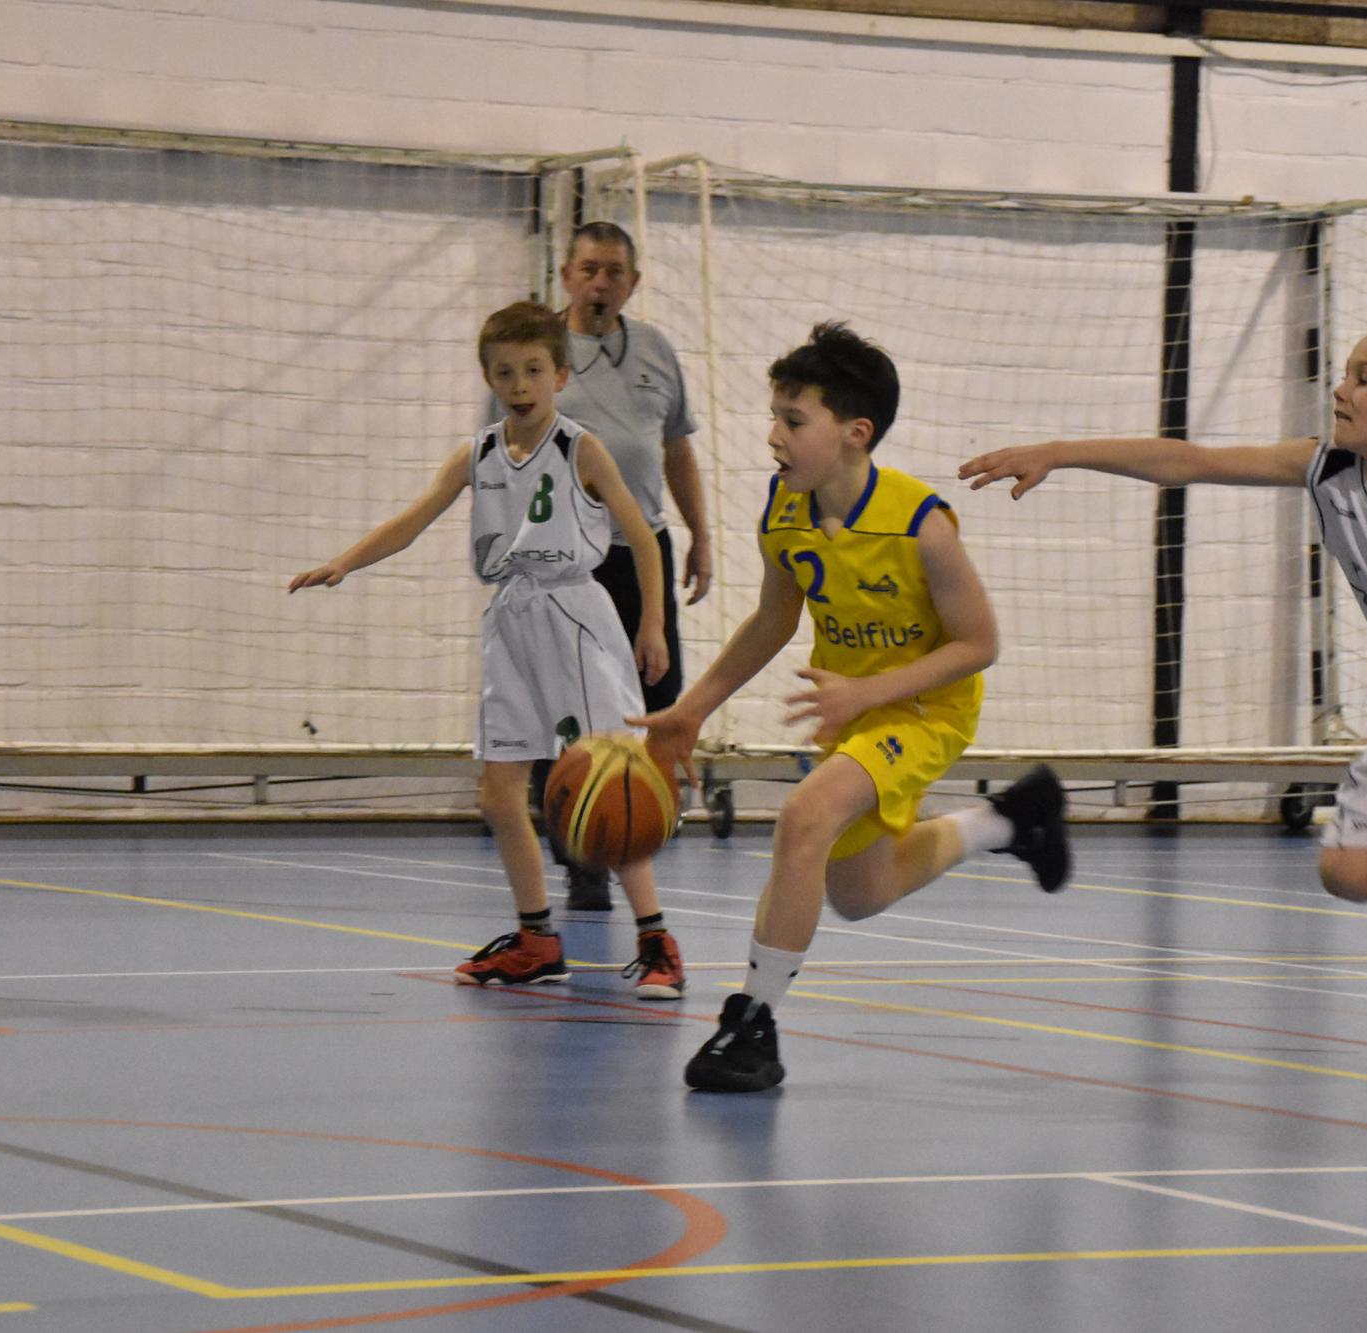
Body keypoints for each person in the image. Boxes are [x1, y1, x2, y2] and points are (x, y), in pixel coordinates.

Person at [958, 319, 1367, 1104]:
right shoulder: (1325, 467)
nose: (1341, 389)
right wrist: (1060, 451)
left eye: (1365, 378)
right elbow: (1189, 461)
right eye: (1345, 373)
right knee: (1348, 873)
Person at [636, 323, 1070, 1092]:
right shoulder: (785, 506)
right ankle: (1007, 819)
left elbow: (979, 643)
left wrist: (867, 692)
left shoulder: (920, 524)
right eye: (775, 416)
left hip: (925, 708)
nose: (773, 435)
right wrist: (693, 708)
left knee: (805, 816)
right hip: (854, 709)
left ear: (854, 432)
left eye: (793, 419)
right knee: (859, 893)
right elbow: (774, 619)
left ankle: (752, 1022)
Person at [292, 300, 686, 999]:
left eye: (533, 369)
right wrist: (346, 561)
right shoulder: (476, 454)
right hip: (510, 619)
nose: (520, 384)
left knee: (612, 784)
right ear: (488, 378)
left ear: (560, 375)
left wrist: (651, 624)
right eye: (505, 372)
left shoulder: (581, 449)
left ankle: (657, 941)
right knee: (500, 794)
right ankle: (537, 939)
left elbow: (644, 537)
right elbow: (412, 520)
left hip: (574, 616)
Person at [505, 222, 712, 911]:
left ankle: (634, 831)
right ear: (567, 276)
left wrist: (701, 534)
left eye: (614, 272)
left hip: (643, 550)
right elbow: (503, 453)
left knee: (655, 697)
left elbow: (676, 449)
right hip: (567, 561)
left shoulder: (655, 351)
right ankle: (581, 858)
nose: (600, 283)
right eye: (589, 269)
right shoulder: (536, 354)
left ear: (633, 282)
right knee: (569, 711)